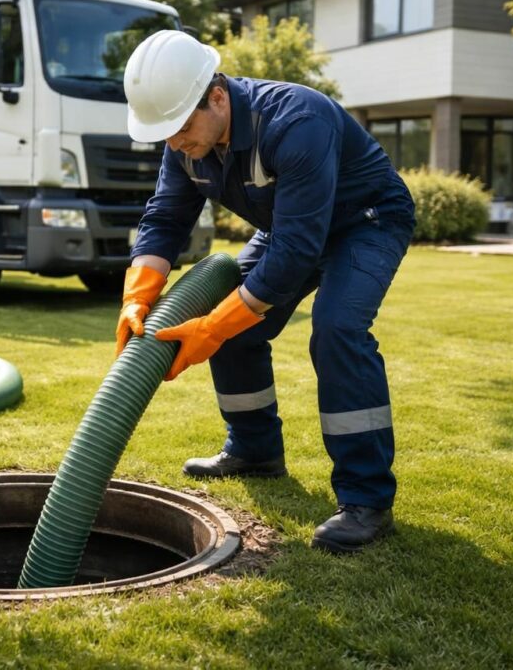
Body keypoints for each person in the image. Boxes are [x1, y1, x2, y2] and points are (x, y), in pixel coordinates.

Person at [117, 30, 415, 554]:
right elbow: (165, 217)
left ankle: (366, 499)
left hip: (367, 221)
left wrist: (211, 329)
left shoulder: (296, 121)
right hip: (290, 228)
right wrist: (137, 296)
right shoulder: (186, 143)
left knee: (337, 330)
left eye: (182, 128)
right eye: (165, 133)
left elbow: (295, 255)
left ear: (217, 96)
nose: (175, 142)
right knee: (233, 322)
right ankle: (254, 449)